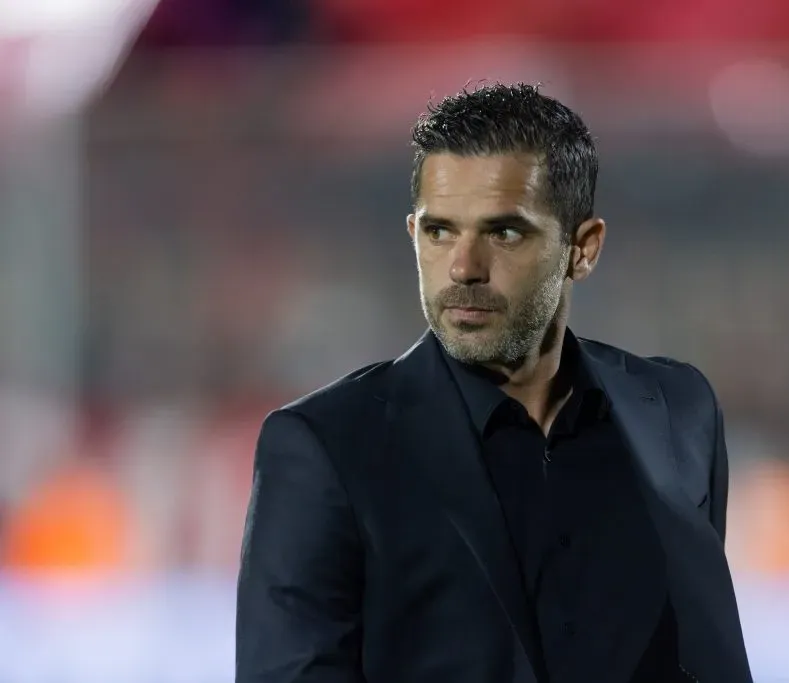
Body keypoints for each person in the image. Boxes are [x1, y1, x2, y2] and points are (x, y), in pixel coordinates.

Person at [235, 83, 753, 683]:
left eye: (504, 233)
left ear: (582, 249)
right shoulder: (325, 447)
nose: (463, 268)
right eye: (439, 232)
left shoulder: (678, 411)